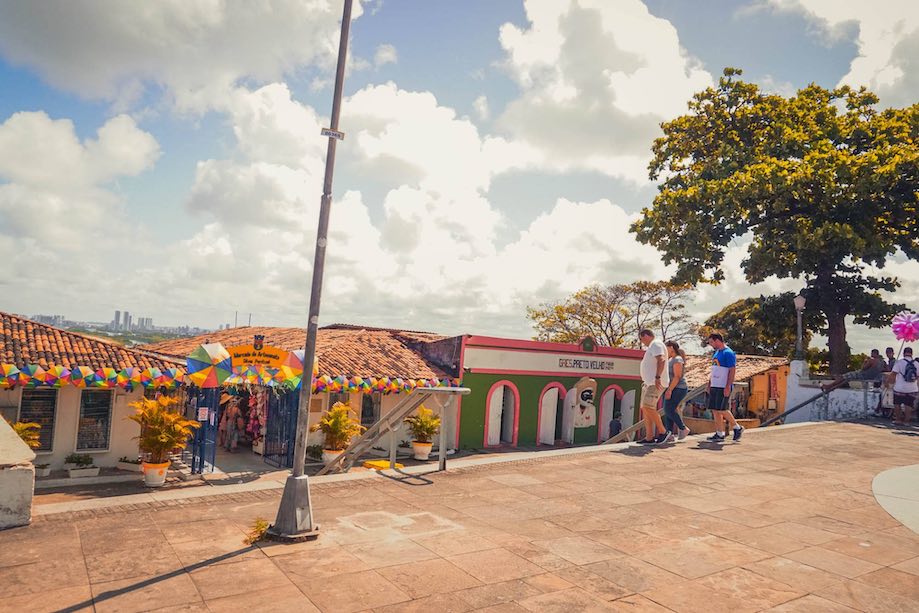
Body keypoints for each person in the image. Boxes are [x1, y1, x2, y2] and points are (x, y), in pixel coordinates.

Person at [706, 333, 743, 442]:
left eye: (712, 342)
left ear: (717, 340)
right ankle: (719, 433)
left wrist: (728, 386)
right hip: (715, 384)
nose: (711, 344)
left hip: (723, 385)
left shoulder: (728, 353)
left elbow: (732, 370)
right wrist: (709, 384)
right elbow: (714, 369)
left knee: (722, 409)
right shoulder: (716, 353)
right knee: (715, 410)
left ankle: (737, 427)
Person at [638, 329, 673, 444]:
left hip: (655, 383)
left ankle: (663, 432)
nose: (642, 342)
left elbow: (661, 360)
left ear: (646, 336)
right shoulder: (653, 345)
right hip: (649, 383)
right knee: (645, 408)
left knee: (648, 406)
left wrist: (657, 377)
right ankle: (649, 437)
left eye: (642, 339)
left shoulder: (656, 344)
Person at [664, 340, 691, 440]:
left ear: (671, 347)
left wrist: (670, 390)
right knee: (667, 409)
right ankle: (669, 433)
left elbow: (677, 376)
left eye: (666, 347)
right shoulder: (671, 359)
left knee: (669, 409)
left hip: (679, 388)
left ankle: (683, 428)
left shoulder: (677, 359)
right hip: (671, 387)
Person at [891, 347, 918, 426]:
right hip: (912, 388)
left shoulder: (899, 362)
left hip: (899, 388)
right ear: (911, 353)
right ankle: (906, 422)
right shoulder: (916, 363)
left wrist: (888, 383)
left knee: (897, 404)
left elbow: (893, 374)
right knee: (908, 405)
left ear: (903, 353)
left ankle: (898, 420)